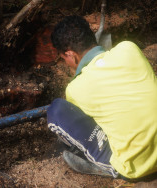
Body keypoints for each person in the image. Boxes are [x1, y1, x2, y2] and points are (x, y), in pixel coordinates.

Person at [48, 15, 157, 180]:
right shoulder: (129, 48)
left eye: (63, 59)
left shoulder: (75, 89)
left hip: (139, 168)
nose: (67, 64)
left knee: (57, 110)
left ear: (71, 54)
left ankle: (109, 168)